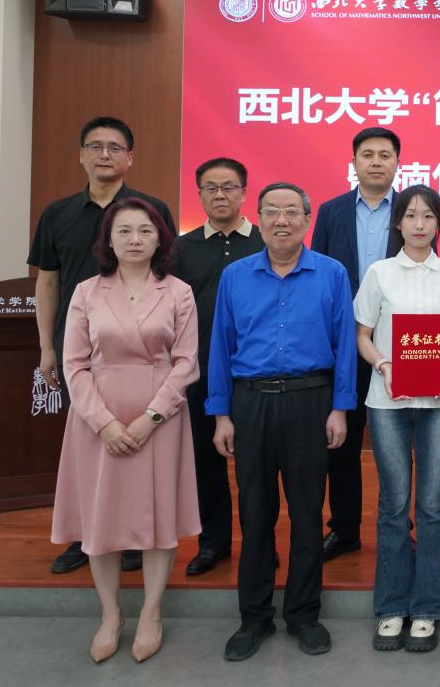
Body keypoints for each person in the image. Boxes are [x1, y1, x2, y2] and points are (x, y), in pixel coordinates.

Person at [208, 182, 356, 661]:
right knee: (255, 514)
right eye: (271, 211)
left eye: (292, 211)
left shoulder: (332, 273)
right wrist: (221, 414)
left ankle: (303, 614)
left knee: (308, 514)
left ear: (307, 220)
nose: (282, 220)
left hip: (311, 402)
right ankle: (254, 618)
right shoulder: (235, 276)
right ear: (259, 219)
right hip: (250, 403)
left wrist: (340, 407)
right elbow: (220, 345)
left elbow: (345, 345)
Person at [51, 199, 200, 663]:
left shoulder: (177, 291)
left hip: (161, 417)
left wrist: (150, 418)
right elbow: (74, 365)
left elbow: (186, 362)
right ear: (108, 240)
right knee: (101, 516)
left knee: (158, 518)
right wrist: (106, 423)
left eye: (145, 231)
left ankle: (152, 612)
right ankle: (110, 614)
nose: (135, 239)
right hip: (98, 417)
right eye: (124, 231)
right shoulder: (86, 292)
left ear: (160, 240)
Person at [30, 116, 176, 576]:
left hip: (143, 354)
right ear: (81, 155)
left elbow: (167, 278)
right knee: (89, 447)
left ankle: (132, 538)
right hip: (83, 355)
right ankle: (85, 536)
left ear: (129, 157)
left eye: (115, 147)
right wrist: (47, 347)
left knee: (138, 450)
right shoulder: (57, 214)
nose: (105, 154)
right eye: (95, 146)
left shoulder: (151, 210)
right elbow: (47, 283)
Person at [355, 184, 440, 653]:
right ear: (398, 223)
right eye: (411, 216)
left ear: (439, 224)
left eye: (428, 216)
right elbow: (363, 335)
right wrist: (383, 364)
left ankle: (426, 608)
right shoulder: (379, 273)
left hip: (439, 403)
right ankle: (390, 607)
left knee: (431, 505)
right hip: (387, 402)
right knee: (393, 504)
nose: (419, 224)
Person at [311, 126, 402, 562]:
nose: (376, 162)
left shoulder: (411, 208)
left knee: (396, 439)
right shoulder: (330, 212)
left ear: (397, 163)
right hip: (342, 342)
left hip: (395, 343)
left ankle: (397, 527)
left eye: (385, 155)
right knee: (342, 440)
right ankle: (345, 528)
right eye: (368, 154)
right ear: (354, 162)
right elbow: (316, 274)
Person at [174, 157, 265, 576]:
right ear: (200, 196)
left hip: (254, 372)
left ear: (244, 193)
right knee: (205, 462)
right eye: (210, 188)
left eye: (229, 187)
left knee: (255, 466)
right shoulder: (181, 249)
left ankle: (259, 544)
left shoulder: (266, 242)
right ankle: (213, 543)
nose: (220, 195)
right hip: (199, 371)